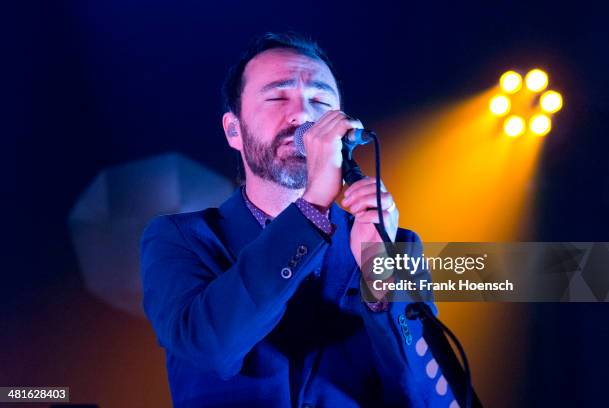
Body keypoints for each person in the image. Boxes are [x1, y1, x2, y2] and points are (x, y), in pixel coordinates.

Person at [141, 32, 456, 407]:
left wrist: (380, 275)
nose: (304, 115)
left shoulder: (390, 242)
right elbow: (210, 349)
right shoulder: (180, 238)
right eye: (277, 96)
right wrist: (312, 208)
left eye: (321, 100)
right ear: (233, 130)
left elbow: (434, 398)